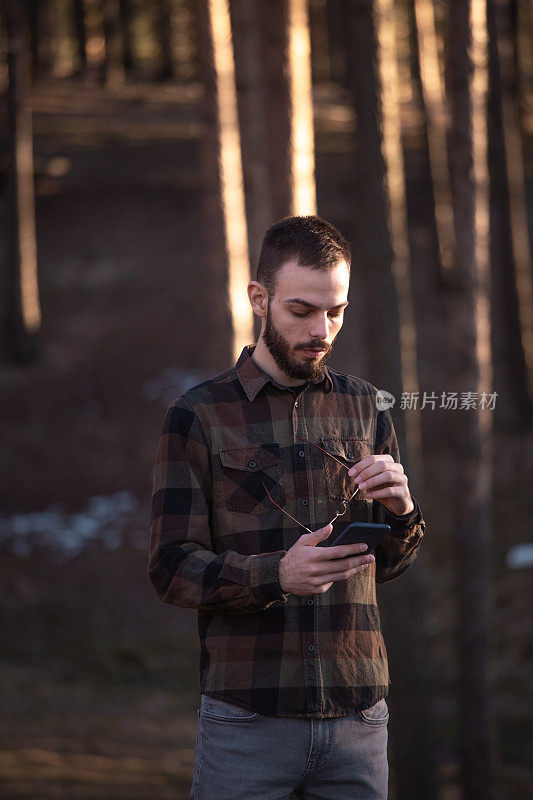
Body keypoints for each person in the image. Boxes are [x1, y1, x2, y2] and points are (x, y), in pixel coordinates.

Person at [148, 215, 426, 800]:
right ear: (260, 298)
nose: (322, 329)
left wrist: (401, 512)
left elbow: (392, 564)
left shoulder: (366, 408)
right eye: (302, 311)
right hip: (248, 720)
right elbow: (171, 568)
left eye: (337, 311)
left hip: (358, 718)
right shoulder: (198, 416)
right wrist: (276, 574)